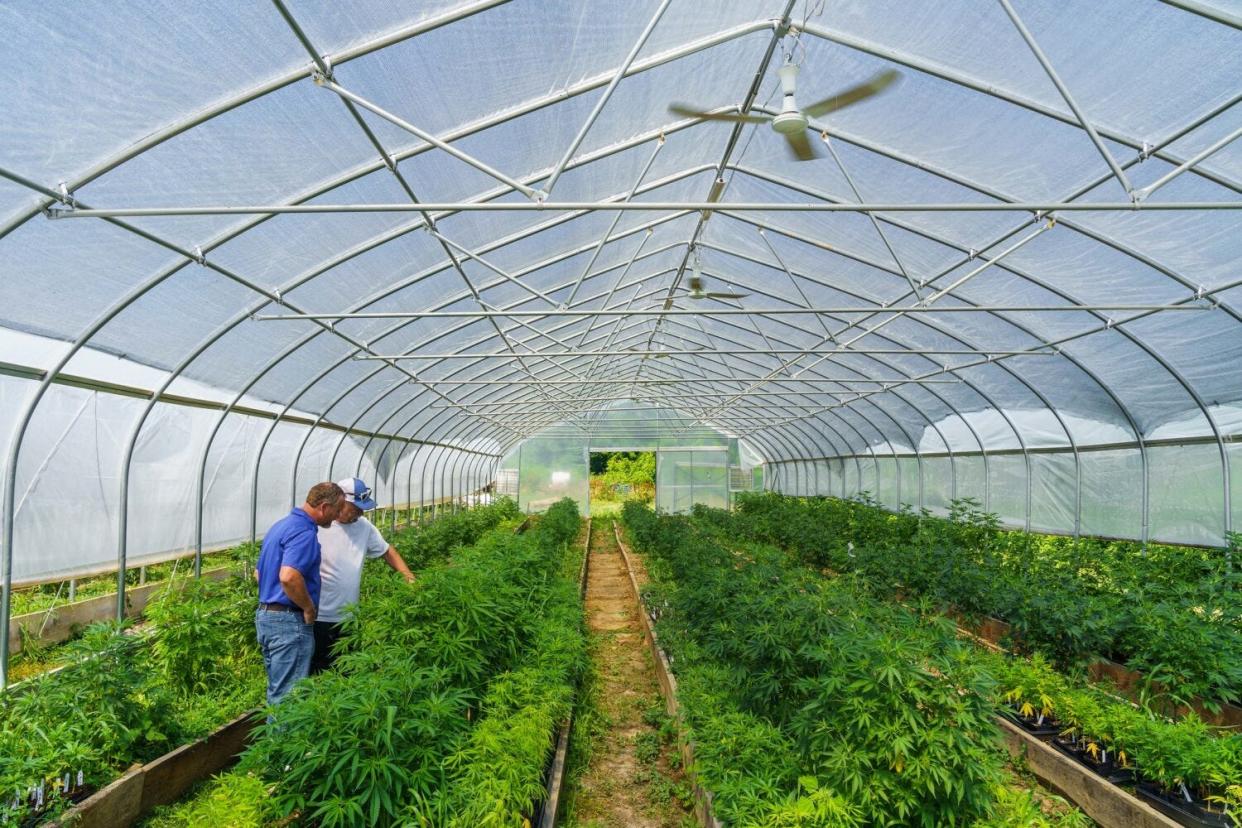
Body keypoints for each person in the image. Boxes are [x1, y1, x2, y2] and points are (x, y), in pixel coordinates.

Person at [310, 477, 416, 674]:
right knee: (319, 672)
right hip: (318, 616)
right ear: (341, 502)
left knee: (347, 671)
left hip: (350, 616)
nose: (360, 513)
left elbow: (387, 551)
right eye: (356, 508)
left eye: (362, 509)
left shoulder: (364, 526)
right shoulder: (318, 526)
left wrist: (408, 577)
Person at [254, 481, 343, 708]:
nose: (338, 516)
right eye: (337, 509)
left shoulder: (281, 526)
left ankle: (274, 741)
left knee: (278, 691)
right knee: (290, 698)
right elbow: (288, 576)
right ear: (324, 507)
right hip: (288, 622)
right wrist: (308, 607)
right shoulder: (303, 532)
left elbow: (258, 573)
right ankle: (282, 742)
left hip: (266, 618)